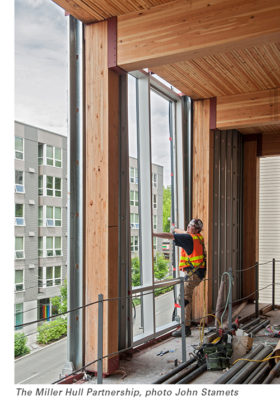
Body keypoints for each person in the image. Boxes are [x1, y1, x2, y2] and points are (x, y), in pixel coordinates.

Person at [153, 218, 206, 337]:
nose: (188, 227)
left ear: (195, 229)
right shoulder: (198, 237)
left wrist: (153, 234)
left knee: (184, 297)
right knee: (184, 296)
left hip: (194, 274)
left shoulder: (189, 238)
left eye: (190, 226)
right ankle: (185, 325)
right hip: (198, 272)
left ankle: (186, 328)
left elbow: (169, 235)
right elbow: (182, 231)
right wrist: (177, 228)